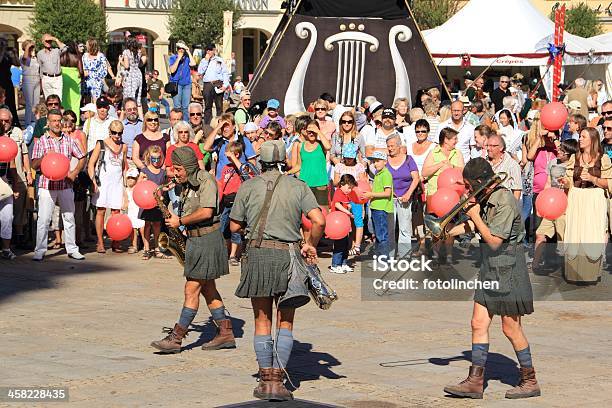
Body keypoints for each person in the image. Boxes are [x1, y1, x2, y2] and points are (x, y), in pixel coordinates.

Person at [229, 140, 325, 401]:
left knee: (262, 320)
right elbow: (319, 220)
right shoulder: (299, 186)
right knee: (286, 320)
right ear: (284, 161)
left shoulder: (249, 186)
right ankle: (278, 382)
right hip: (289, 257)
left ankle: (265, 380)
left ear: (261, 161)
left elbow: (235, 227)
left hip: (258, 255)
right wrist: (310, 244)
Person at [444, 157, 540, 400]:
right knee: (478, 323)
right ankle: (475, 381)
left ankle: (530, 379)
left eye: (468, 185)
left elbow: (495, 241)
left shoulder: (504, 200)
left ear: (480, 183)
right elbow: (475, 228)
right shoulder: (485, 197)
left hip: (508, 268)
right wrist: (445, 231)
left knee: (511, 327)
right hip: (490, 267)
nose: (466, 190)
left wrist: (475, 215)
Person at [151, 146, 235, 354]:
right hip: (196, 239)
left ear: (188, 167)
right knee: (208, 289)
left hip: (207, 238)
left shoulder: (206, 180)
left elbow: (207, 212)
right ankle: (225, 332)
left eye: (178, 169)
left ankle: (177, 337)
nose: (175, 173)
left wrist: (179, 221)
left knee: (191, 288)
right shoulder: (186, 183)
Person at [31, 109, 86, 261]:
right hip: (46, 185)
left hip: (65, 184)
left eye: (58, 120)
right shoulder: (42, 141)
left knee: (69, 217)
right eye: (53, 120)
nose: (56, 123)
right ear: (48, 123)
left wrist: (74, 173)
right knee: (43, 219)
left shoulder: (68, 140)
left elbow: (82, 156)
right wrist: (43, 158)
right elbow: (34, 165)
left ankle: (72, 249)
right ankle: (40, 251)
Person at [561, 127, 612, 284]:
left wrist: (592, 178)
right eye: (580, 136)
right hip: (576, 197)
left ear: (592, 140)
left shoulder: (602, 159)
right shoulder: (574, 158)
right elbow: (569, 178)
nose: (580, 139)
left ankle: (589, 275)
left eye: (583, 136)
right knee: (575, 232)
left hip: (594, 198)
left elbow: (609, 182)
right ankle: (573, 275)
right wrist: (565, 182)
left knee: (591, 233)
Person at [531, 139, 577, 270]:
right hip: (551, 206)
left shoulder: (574, 166)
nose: (558, 151)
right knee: (540, 234)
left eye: (562, 150)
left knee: (563, 238)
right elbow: (548, 184)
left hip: (565, 208)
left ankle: (568, 267)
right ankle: (535, 263)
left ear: (569, 154)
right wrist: (542, 203)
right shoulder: (553, 163)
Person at [88, 120, 127, 253]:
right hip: (103, 183)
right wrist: (93, 181)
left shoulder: (124, 147)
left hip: (117, 183)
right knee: (101, 211)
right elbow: (91, 164)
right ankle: (100, 242)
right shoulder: (101, 144)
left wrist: (125, 187)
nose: (117, 136)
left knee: (116, 213)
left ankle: (116, 240)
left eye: (120, 133)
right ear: (110, 132)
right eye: (114, 133)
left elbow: (123, 167)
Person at [386, 133, 419, 258]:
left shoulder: (409, 159)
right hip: (389, 199)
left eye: (392, 146)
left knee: (404, 229)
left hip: (405, 199)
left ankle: (404, 255)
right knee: (390, 228)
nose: (390, 148)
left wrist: (408, 194)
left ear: (399, 146)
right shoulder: (385, 160)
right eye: (388, 146)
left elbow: (416, 178)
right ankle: (389, 256)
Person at [287, 118, 331, 207]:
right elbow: (299, 165)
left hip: (320, 184)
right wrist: (287, 173)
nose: (311, 133)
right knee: (306, 214)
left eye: (313, 131)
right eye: (309, 131)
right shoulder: (300, 146)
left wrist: (318, 131)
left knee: (323, 212)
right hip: (305, 185)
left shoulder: (321, 144)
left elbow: (328, 147)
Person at [333, 143, 367, 256]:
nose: (348, 160)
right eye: (347, 157)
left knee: (356, 221)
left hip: (355, 198)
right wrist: (344, 182)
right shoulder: (339, 166)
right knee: (344, 221)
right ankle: (344, 245)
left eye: (350, 157)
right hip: (343, 198)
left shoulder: (359, 167)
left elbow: (362, 184)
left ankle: (354, 245)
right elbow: (335, 182)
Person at [202, 113, 257, 180]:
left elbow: (252, 163)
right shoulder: (220, 142)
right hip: (221, 183)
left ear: (234, 126)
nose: (224, 129)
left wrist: (244, 173)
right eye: (222, 127)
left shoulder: (243, 141)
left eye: (227, 126)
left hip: (239, 182)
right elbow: (206, 147)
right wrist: (217, 128)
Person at [138, 145, 169, 260]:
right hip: (146, 203)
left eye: (158, 158)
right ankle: (146, 249)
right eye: (153, 159)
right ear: (148, 157)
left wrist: (168, 188)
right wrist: (142, 181)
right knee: (147, 225)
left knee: (157, 225)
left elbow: (162, 187)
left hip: (157, 204)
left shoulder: (162, 172)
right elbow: (138, 185)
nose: (156, 161)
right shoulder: (144, 171)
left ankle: (157, 248)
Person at [218, 141, 245, 266]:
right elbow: (222, 185)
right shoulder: (225, 168)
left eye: (230, 154)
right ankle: (226, 252)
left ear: (237, 154)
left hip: (238, 202)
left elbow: (244, 172)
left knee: (235, 229)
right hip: (226, 201)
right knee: (223, 228)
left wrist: (234, 157)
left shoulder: (243, 167)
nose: (227, 156)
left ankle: (234, 255)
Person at [361, 151, 393, 257]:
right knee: (378, 234)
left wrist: (371, 194)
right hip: (375, 207)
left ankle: (384, 259)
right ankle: (380, 257)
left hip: (381, 208)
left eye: (378, 161)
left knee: (382, 235)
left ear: (385, 162)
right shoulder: (378, 174)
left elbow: (387, 193)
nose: (375, 164)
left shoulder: (386, 174)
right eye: (374, 161)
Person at [422, 127, 465, 197]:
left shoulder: (458, 153)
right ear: (446, 140)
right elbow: (424, 173)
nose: (457, 141)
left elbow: (463, 171)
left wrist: (452, 166)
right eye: (455, 139)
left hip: (454, 195)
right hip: (434, 194)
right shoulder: (433, 153)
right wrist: (440, 164)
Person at [0, 110, 19, 259]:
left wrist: (16, 187)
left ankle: (6, 249)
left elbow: (12, 164)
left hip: (4, 182)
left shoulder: (6, 142)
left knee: (7, 217)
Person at [329, 174, 357, 274]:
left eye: (351, 188)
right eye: (349, 187)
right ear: (342, 184)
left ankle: (343, 263)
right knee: (339, 245)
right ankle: (335, 265)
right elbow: (336, 204)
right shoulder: (339, 192)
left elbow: (346, 204)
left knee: (345, 245)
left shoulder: (345, 194)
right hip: (338, 226)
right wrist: (348, 212)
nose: (350, 190)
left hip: (344, 225)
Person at [197, 44, 230, 125]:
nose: (208, 52)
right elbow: (200, 72)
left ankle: (220, 124)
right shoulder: (203, 61)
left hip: (218, 83)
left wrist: (225, 85)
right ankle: (208, 124)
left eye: (210, 50)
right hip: (207, 84)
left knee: (219, 106)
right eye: (207, 50)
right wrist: (206, 60)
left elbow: (225, 73)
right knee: (208, 105)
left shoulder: (219, 60)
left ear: (214, 50)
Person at [487, 134, 522, 200]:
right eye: (487, 145)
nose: (488, 148)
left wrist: (513, 208)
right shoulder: (483, 161)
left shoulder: (512, 165)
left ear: (501, 147)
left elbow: (517, 190)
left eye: (492, 146)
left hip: (502, 205)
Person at [168, 41, 196, 120]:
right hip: (176, 84)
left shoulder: (187, 58)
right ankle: (177, 123)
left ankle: (185, 124)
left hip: (187, 84)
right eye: (179, 48)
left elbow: (193, 64)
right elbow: (172, 70)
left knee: (186, 107)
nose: (180, 50)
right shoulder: (173, 58)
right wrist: (178, 58)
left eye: (182, 48)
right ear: (177, 49)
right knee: (177, 106)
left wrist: (188, 51)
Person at [82, 38, 115, 104]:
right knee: (87, 101)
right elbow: (83, 67)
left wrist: (113, 76)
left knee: (95, 100)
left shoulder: (100, 56)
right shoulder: (85, 55)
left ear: (91, 46)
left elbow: (108, 66)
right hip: (86, 80)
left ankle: (95, 113)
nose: (86, 46)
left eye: (87, 45)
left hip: (97, 80)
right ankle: (88, 114)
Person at [60, 42, 83, 123]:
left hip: (64, 78)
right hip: (74, 81)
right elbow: (81, 71)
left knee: (64, 101)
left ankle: (64, 120)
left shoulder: (62, 56)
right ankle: (75, 122)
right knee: (75, 102)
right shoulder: (77, 57)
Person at [37, 33, 66, 99]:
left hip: (57, 78)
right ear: (42, 41)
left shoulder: (56, 51)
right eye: (46, 41)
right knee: (48, 99)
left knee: (58, 99)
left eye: (50, 41)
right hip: (46, 78)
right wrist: (41, 81)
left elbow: (65, 49)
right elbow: (40, 68)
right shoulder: (40, 53)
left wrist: (55, 39)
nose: (48, 42)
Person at [124, 167, 145, 254]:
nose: (130, 180)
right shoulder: (126, 190)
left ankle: (145, 245)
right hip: (131, 213)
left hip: (140, 212)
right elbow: (126, 202)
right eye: (129, 178)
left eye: (133, 178)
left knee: (142, 230)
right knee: (132, 231)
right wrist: (124, 207)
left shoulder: (138, 188)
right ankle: (134, 245)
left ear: (136, 179)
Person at [20, 40, 41, 127]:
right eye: (30, 47)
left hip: (37, 79)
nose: (32, 48)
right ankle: (27, 123)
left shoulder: (35, 58)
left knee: (36, 103)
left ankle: (35, 121)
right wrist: (28, 47)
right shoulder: (22, 57)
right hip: (28, 79)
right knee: (29, 103)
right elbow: (25, 60)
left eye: (32, 47)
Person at [121, 38, 144, 114]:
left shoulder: (126, 52)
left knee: (129, 97)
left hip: (130, 75)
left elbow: (127, 66)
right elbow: (140, 64)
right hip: (138, 74)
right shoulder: (139, 52)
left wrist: (121, 61)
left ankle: (128, 116)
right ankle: (140, 118)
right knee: (138, 98)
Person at [121, 98, 143, 166]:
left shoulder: (144, 125)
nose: (132, 111)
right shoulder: (121, 126)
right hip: (127, 162)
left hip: (143, 161)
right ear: (124, 111)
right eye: (129, 110)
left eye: (134, 109)